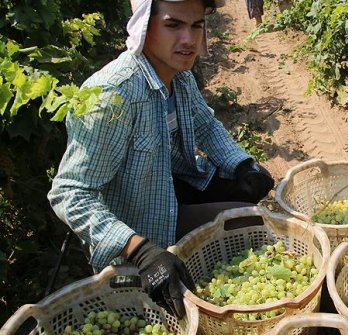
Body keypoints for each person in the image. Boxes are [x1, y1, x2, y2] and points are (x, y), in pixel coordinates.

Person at [48, 0, 273, 319]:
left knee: (251, 219)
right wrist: (140, 251)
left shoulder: (179, 77)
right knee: (169, 310)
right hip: (133, 236)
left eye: (196, 25)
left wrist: (241, 164)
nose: (188, 38)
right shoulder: (112, 97)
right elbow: (70, 193)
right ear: (144, 26)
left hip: (165, 200)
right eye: (173, 25)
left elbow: (205, 124)